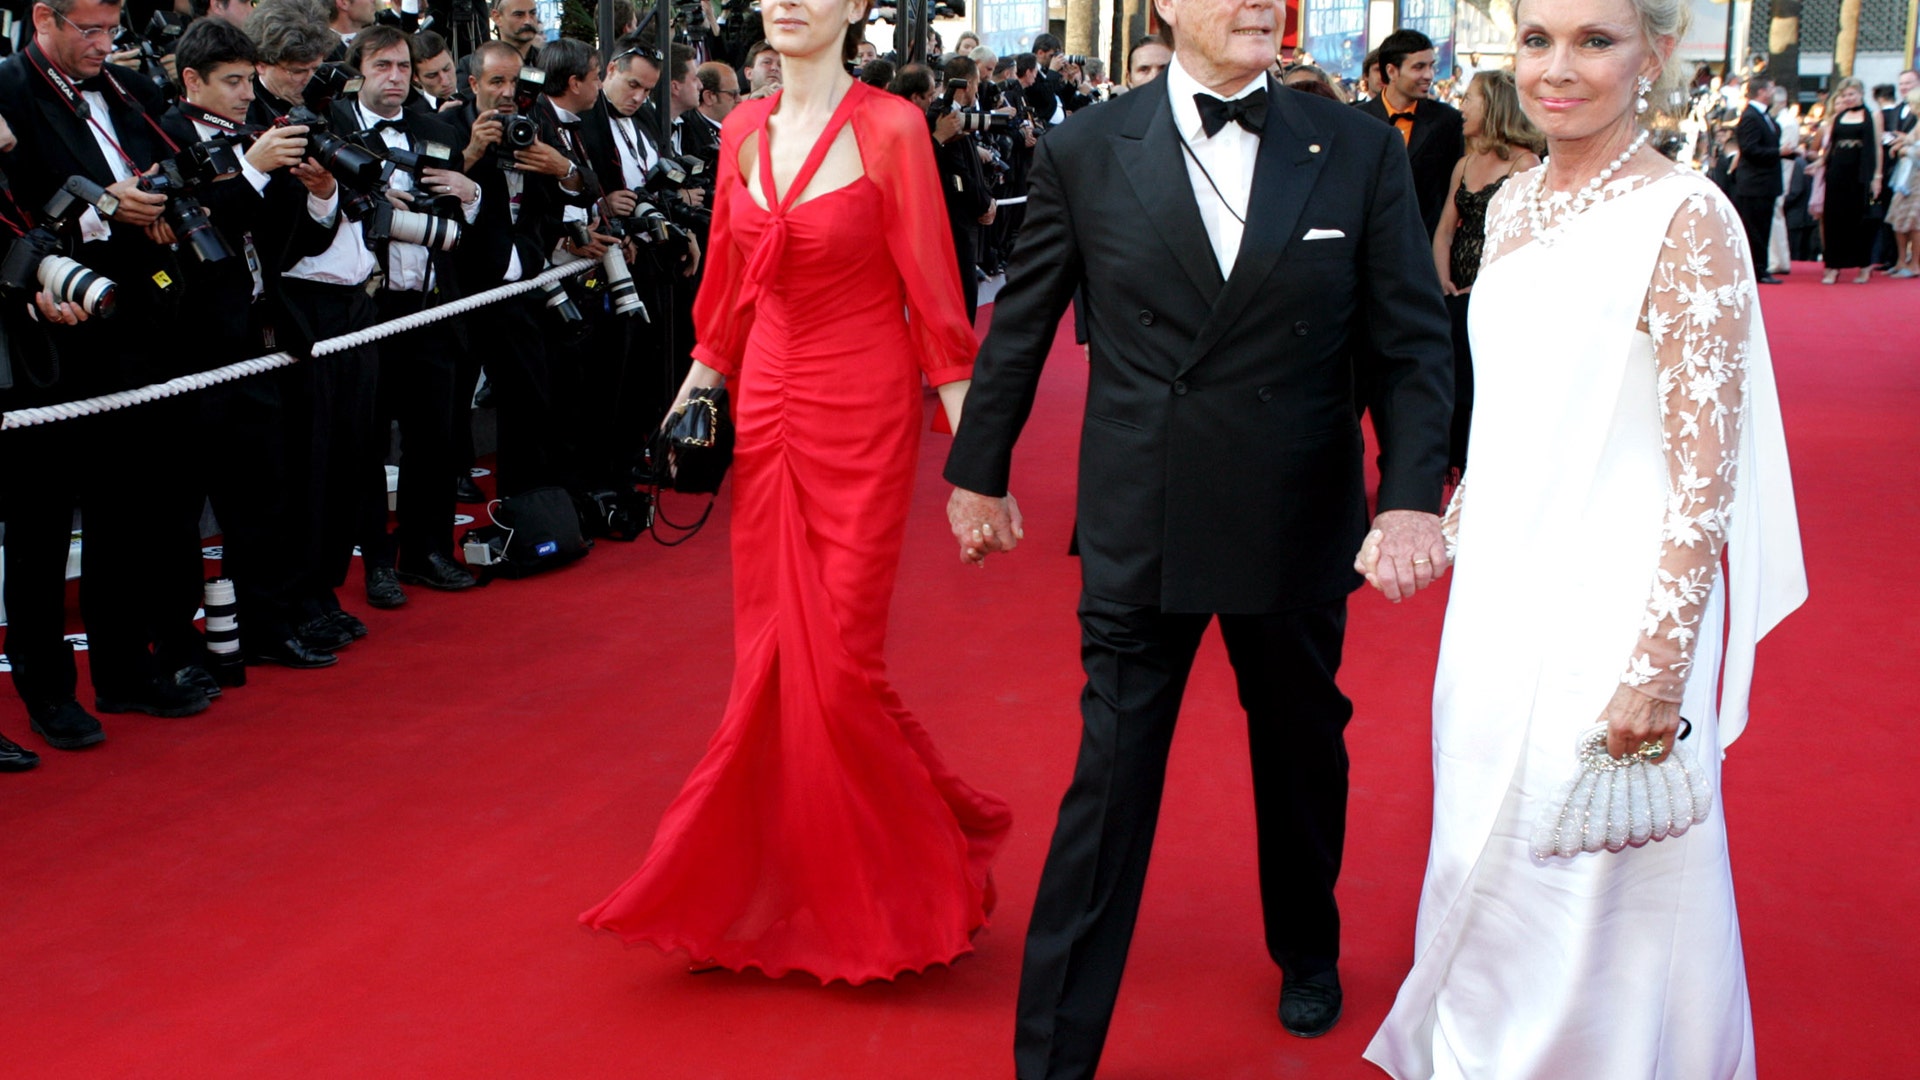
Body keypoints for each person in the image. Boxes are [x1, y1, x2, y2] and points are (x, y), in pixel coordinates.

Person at [943, 0, 1455, 1068]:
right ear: (1167, 5)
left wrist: (1410, 493)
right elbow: (1023, 321)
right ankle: (1052, 1056)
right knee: (1110, 783)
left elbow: (1410, 340)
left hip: (1298, 512)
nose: (1259, 4)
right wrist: (977, 474)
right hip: (1146, 512)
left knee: (1302, 749)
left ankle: (1308, 950)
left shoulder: (1355, 149)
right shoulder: (1087, 147)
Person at [1363, 0, 1807, 1075]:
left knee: (1593, 880)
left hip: (1619, 603)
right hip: (1498, 605)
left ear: (1657, 54)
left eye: (1595, 42)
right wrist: (1436, 527)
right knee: (1483, 838)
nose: (1558, 69)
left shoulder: (1688, 215)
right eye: (1538, 40)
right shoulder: (1511, 202)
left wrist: (1659, 669)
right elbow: (1514, 425)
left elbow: (1706, 477)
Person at [581, 0, 1013, 983]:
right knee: (775, 655)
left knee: (843, 659)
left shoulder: (892, 128)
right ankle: (778, 880)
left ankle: (908, 882)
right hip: (767, 409)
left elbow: (940, 311)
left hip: (862, 404)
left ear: (858, 6)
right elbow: (731, 280)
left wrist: (977, 470)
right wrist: (700, 387)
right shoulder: (739, 128)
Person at [1431, 68, 1541, 475]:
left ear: (1493, 107)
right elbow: (1444, 230)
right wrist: (1442, 279)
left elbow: (1529, 239)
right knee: (1450, 378)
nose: (1461, 108)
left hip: (1497, 292)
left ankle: (1477, 464)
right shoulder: (1464, 164)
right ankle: (1453, 462)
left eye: (1470, 99)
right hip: (1452, 291)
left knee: (1477, 382)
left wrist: (1485, 284)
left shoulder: (1526, 164)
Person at [1356, 29, 1465, 237]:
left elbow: (1452, 192)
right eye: (1418, 67)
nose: (1429, 75)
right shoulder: (1356, 119)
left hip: (1426, 245)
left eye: (1431, 66)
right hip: (1368, 247)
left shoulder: (1448, 122)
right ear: (1392, 71)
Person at [1815, 77, 1885, 285]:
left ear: (1861, 94)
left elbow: (1877, 147)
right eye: (1844, 95)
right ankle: (1832, 267)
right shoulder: (1838, 116)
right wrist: (1820, 163)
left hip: (1860, 174)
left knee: (1860, 220)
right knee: (1834, 219)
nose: (1848, 98)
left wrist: (1877, 176)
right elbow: (1831, 146)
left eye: (1852, 94)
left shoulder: (1873, 115)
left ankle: (1864, 266)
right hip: (1837, 173)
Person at [1733, 76, 1791, 284]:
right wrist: (1778, 151)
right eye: (1771, 89)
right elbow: (1749, 149)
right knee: (1755, 229)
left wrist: (1788, 153)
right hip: (1755, 183)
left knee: (1763, 227)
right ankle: (1757, 269)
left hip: (1765, 182)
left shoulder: (1764, 117)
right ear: (1761, 92)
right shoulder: (1751, 117)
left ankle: (1760, 267)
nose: (1774, 93)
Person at [1885, 85, 1920, 278]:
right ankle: (1900, 261)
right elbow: (1911, 139)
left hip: (1917, 179)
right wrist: (1901, 143)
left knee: (1915, 222)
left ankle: (1915, 263)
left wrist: (1906, 150)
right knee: (1898, 216)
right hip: (1906, 177)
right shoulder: (1918, 122)